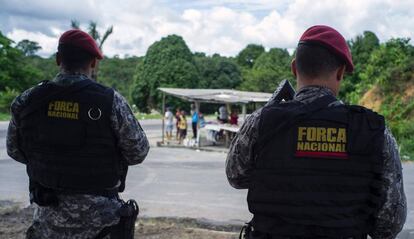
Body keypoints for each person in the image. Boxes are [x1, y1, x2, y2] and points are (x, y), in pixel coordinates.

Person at [226, 25, 406, 238]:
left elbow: (236, 176)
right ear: (340, 72)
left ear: (294, 68)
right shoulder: (374, 131)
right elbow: (389, 224)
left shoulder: (261, 121)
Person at [6, 29, 150, 239]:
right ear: (93, 63)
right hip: (100, 227)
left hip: (47, 222)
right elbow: (138, 152)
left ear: (58, 59)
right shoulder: (109, 102)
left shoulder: (27, 100)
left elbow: (14, 150)